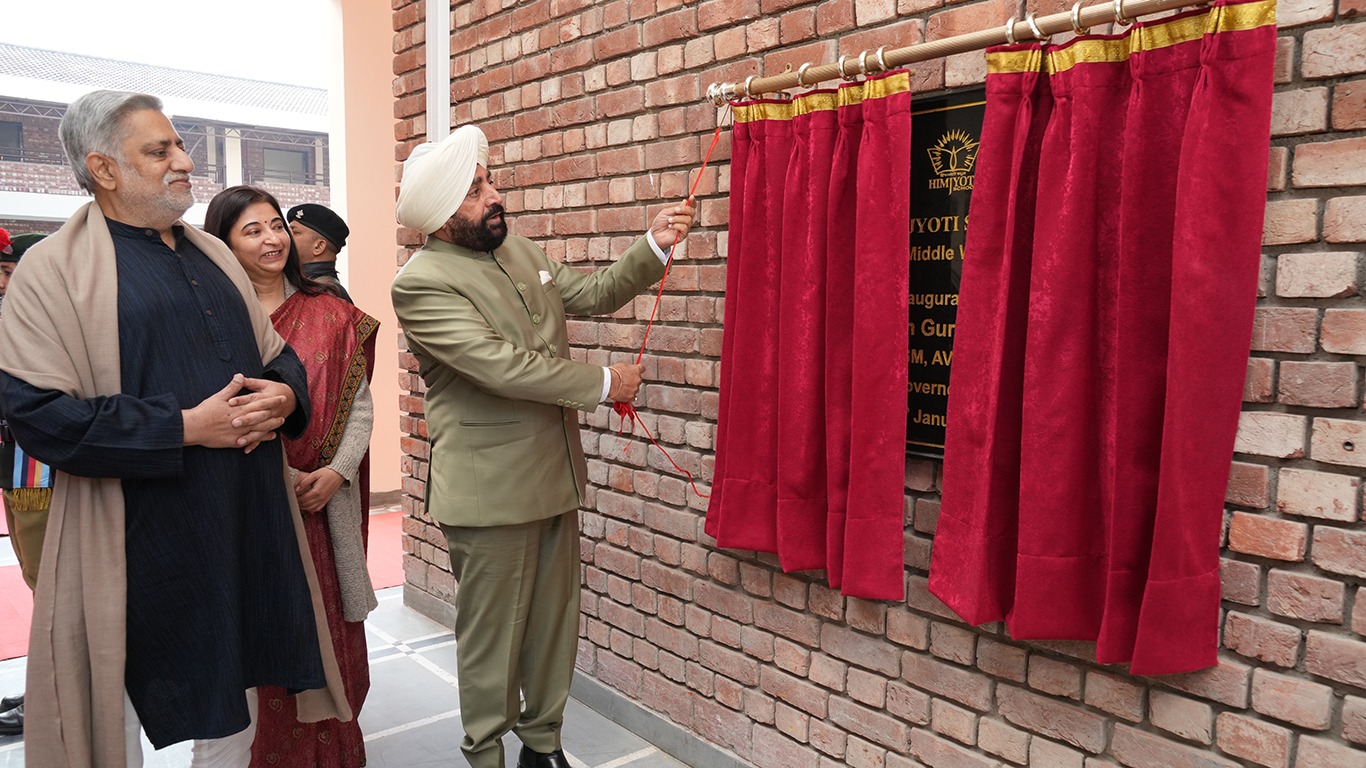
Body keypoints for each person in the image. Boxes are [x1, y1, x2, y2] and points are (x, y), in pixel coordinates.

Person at [0, 90, 349, 767]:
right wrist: (185, 427)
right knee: (115, 714)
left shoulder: (213, 255)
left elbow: (277, 357)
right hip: (134, 536)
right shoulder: (53, 269)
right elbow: (38, 416)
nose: (185, 161)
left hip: (245, 520)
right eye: (160, 150)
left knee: (239, 706)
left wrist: (284, 396)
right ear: (104, 168)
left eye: (180, 146)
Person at [390, 124, 696, 768]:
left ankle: (542, 744)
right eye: (476, 190)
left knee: (555, 625)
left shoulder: (518, 251)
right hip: (489, 492)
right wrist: (605, 382)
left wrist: (652, 245)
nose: (494, 196)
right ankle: (485, 754)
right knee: (494, 639)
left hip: (554, 475)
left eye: (489, 182)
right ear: (442, 215)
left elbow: (593, 293)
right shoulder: (421, 283)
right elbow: (501, 367)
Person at [205, 186, 378, 767]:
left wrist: (335, 473)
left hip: (322, 508)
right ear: (224, 243)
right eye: (252, 230)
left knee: (335, 645)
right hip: (250, 510)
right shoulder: (213, 320)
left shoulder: (331, 314)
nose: (272, 238)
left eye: (276, 225)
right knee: (264, 650)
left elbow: (359, 408)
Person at [0, 231, 50, 738]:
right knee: (35, 581)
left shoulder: (46, 320)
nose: (6, 283)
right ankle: (43, 681)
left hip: (44, 473)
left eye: (11, 273)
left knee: (51, 586)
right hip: (18, 471)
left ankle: (51, 692)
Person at [286, 203, 353, 302]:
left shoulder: (325, 295)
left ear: (318, 246)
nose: (285, 237)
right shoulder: (305, 287)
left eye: (295, 233)